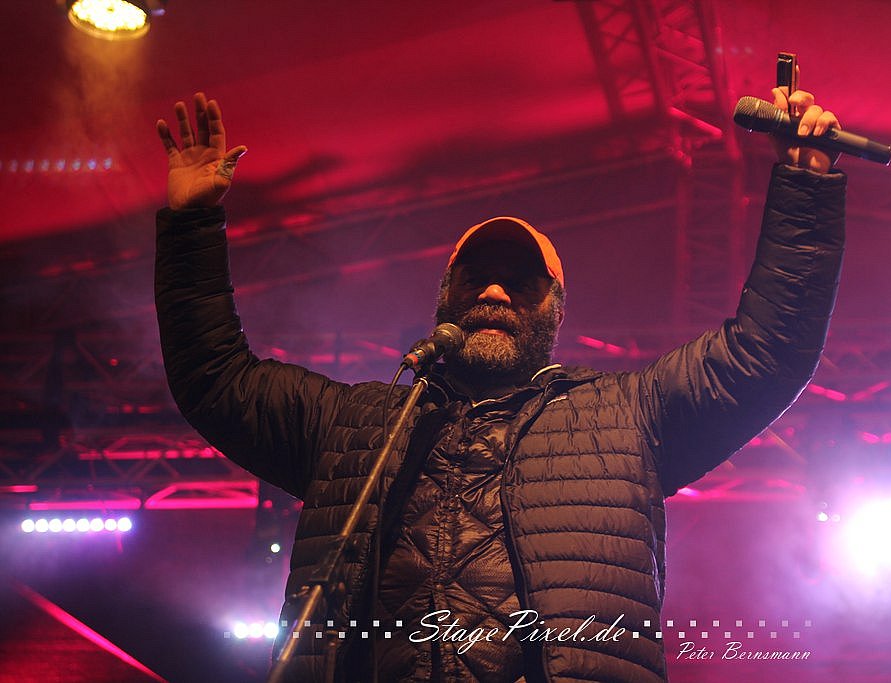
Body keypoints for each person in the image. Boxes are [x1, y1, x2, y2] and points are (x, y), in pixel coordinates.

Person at [155, 80, 845, 682]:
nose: (493, 290)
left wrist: (805, 189)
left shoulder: (625, 418)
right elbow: (216, 380)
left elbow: (764, 353)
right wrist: (191, 225)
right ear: (443, 300)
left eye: (519, 280)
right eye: (474, 276)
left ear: (557, 311)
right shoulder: (353, 425)